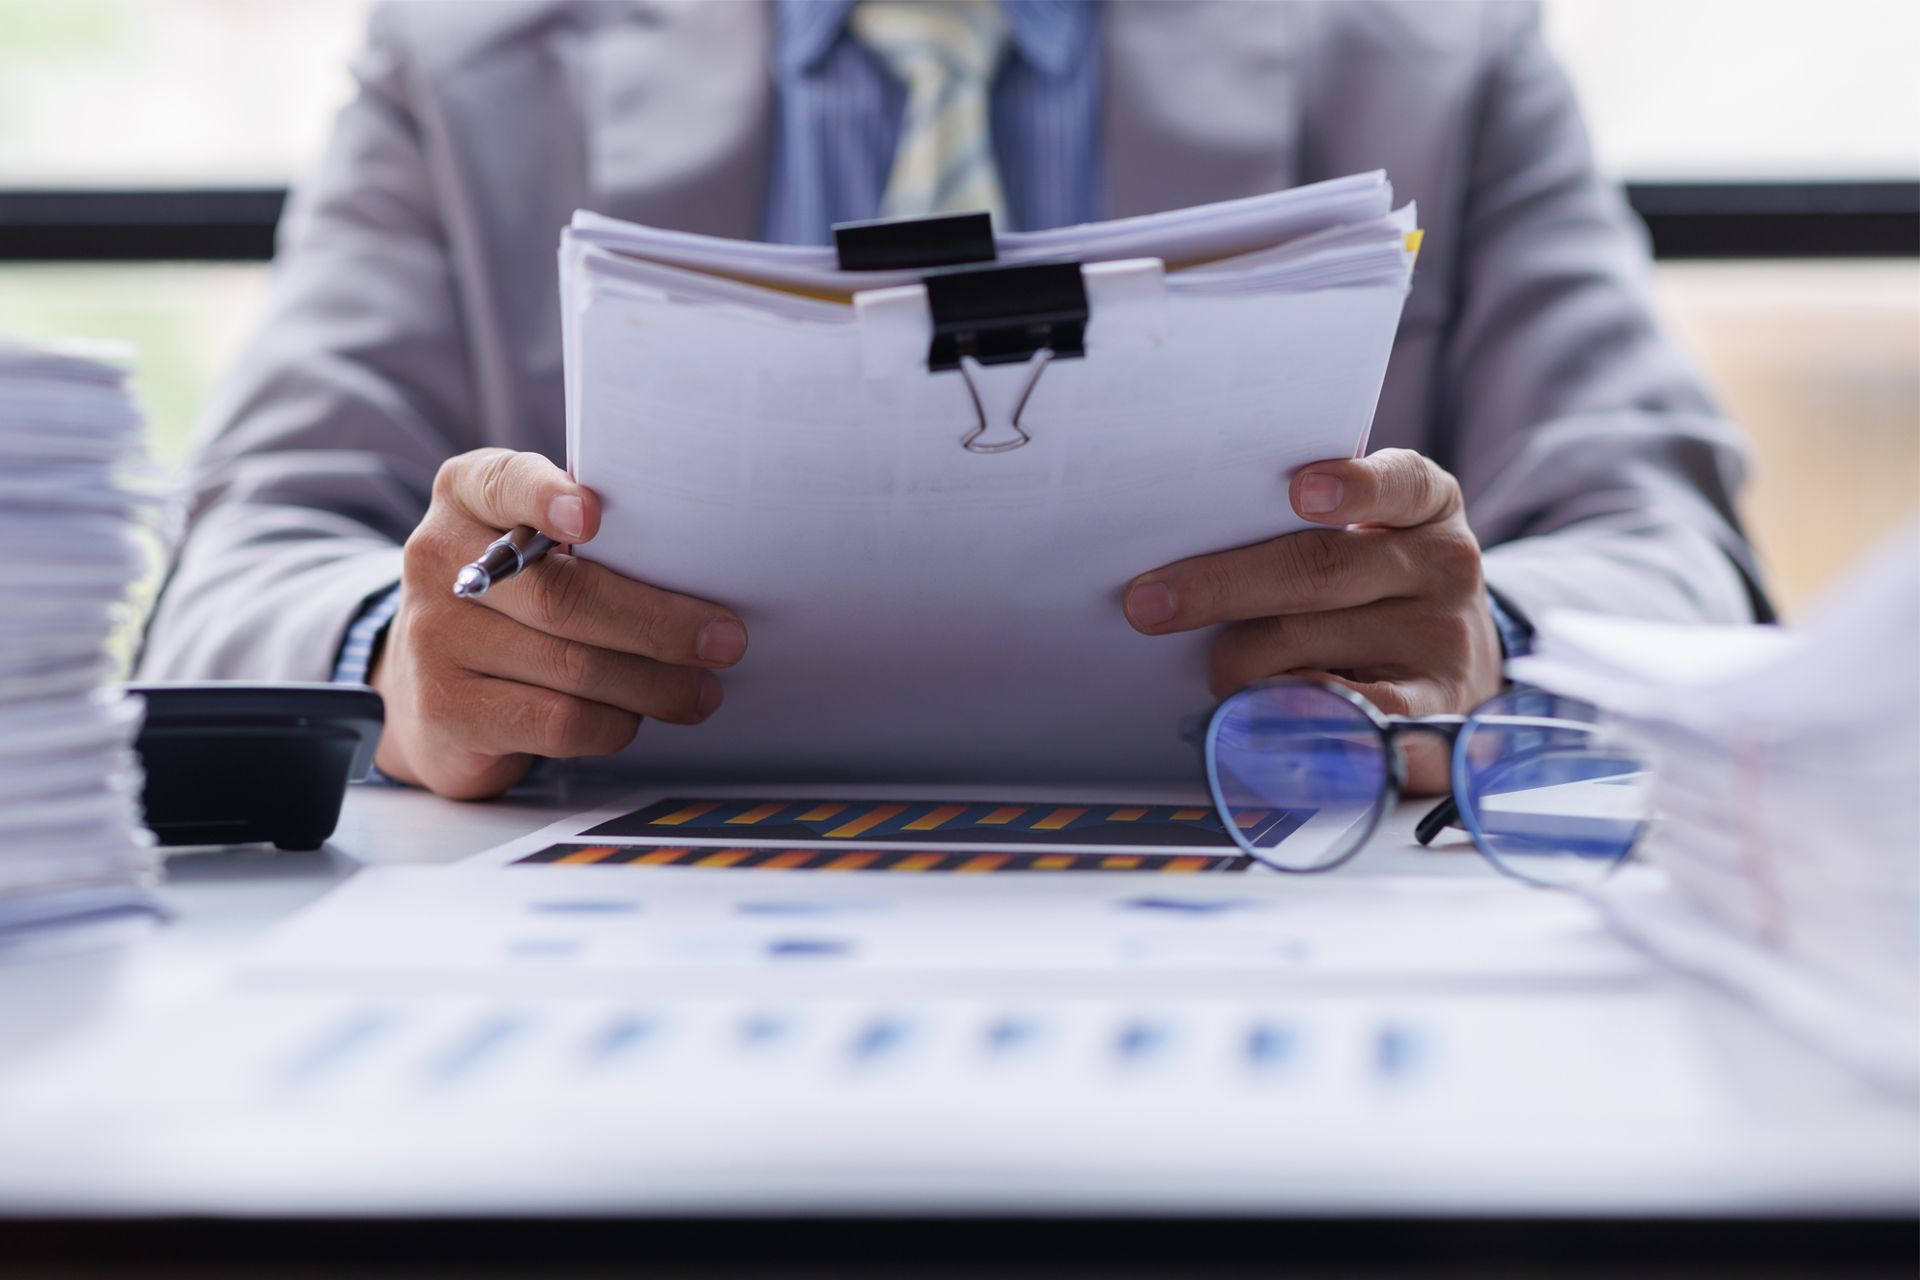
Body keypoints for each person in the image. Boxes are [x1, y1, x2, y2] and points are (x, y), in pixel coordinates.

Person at [139, 0, 1770, 800]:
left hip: (1276, 932)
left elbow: (1678, 566)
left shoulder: (1437, 51)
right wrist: (406, 663)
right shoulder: (462, 67)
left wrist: (1487, 654)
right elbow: (237, 569)